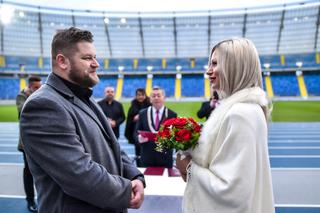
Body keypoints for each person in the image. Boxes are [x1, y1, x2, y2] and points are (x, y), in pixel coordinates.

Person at [20, 27, 145, 213]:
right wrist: (126, 190)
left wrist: (136, 176)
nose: (96, 64)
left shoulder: (84, 97)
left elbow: (113, 147)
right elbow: (79, 175)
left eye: (95, 57)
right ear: (62, 61)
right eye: (87, 58)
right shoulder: (44, 105)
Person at [176, 38, 275, 213]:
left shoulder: (240, 114)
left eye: (215, 63)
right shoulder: (249, 109)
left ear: (234, 66)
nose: (208, 71)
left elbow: (232, 194)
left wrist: (189, 167)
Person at [16, 75, 41, 212]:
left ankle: (44, 198)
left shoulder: (41, 95)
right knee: (29, 172)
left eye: (40, 87)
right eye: (36, 88)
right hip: (27, 142)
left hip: (42, 142)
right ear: (29, 87)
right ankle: (30, 200)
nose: (39, 90)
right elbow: (23, 111)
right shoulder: (21, 96)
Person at [136, 86, 177, 168]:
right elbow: (136, 131)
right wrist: (139, 138)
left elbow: (175, 135)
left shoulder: (172, 114)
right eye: (153, 96)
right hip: (147, 157)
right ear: (150, 99)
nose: (156, 98)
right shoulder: (143, 113)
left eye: (159, 95)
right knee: (147, 180)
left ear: (164, 98)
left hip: (165, 158)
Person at [125, 88, 151, 166]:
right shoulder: (133, 106)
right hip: (136, 133)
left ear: (145, 95)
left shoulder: (150, 105)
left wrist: (142, 116)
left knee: (148, 152)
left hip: (148, 133)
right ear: (136, 96)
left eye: (142, 95)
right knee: (138, 152)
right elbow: (129, 119)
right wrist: (133, 118)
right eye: (138, 95)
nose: (140, 97)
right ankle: (140, 167)